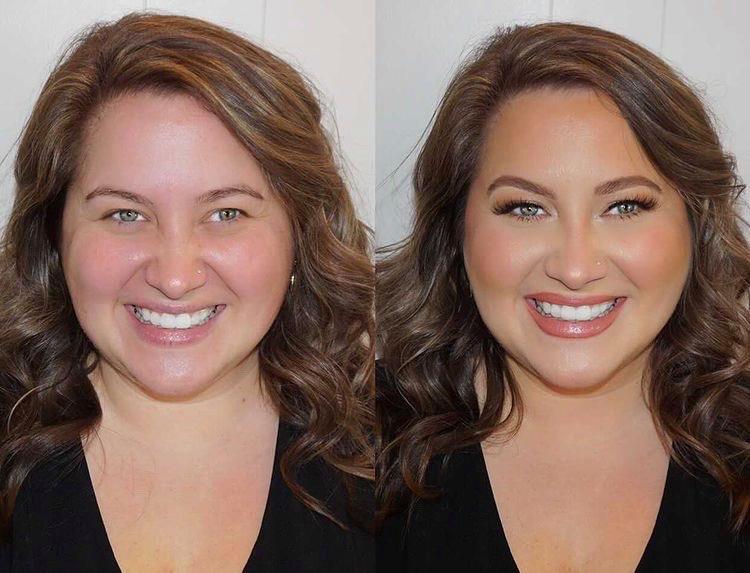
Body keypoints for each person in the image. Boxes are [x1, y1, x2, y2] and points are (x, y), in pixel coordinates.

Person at [0, 12, 374, 572]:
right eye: (125, 214)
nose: (174, 278)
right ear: (53, 235)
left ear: (302, 235)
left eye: (226, 213)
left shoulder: (392, 470)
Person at [376, 22, 749, 572]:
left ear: (696, 226)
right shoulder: (361, 442)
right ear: (455, 231)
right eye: (526, 209)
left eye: (625, 206)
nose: (575, 269)